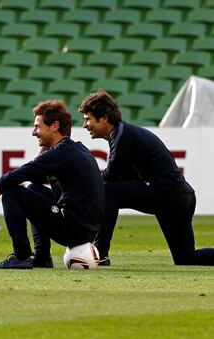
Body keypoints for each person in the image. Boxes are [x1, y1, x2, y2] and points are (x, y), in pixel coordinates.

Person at [79, 90, 214, 266]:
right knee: (186, 258)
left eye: (87, 119)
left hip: (169, 196)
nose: (84, 125)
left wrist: (83, 179)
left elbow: (110, 176)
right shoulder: (125, 133)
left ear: (103, 118)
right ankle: (99, 252)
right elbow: (124, 177)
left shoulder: (121, 135)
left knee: (109, 190)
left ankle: (100, 253)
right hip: (182, 196)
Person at [0, 100, 104, 269]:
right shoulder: (74, 149)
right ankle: (42, 256)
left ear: (55, 126)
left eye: (38, 126)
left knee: (11, 192)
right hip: (86, 228)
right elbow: (34, 171)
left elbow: (12, 177)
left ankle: (21, 256)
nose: (34, 132)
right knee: (33, 188)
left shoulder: (60, 154)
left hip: (74, 230)